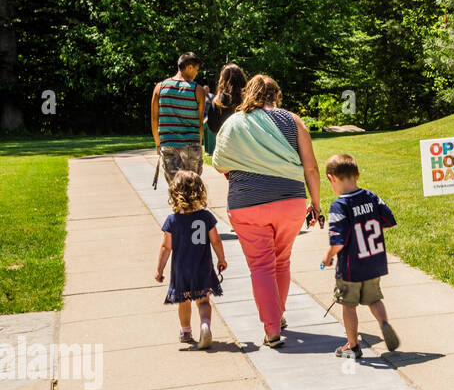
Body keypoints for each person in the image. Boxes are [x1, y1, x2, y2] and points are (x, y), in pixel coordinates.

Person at [211, 74, 324, 348]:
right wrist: (316, 204)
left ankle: (272, 329)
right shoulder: (292, 120)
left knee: (261, 266)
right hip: (291, 203)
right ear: (276, 95)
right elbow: (310, 168)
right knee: (281, 260)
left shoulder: (234, 123)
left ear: (249, 94)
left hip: (247, 205)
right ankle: (278, 314)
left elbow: (219, 163)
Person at [321, 153, 400, 358]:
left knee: (348, 306)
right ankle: (384, 323)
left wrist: (328, 257)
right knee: (374, 299)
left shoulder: (339, 206)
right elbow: (389, 221)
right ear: (357, 175)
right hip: (373, 262)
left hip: (350, 268)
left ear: (331, 178)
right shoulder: (372, 197)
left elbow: (338, 240)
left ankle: (353, 346)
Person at [155, 170, 226, 349]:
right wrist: (221, 259)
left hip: (181, 270)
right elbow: (216, 240)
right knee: (203, 301)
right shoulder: (206, 217)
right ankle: (205, 325)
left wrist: (159, 269)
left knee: (184, 301)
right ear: (200, 191)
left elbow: (166, 247)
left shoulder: (172, 221)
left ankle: (186, 331)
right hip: (202, 267)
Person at [151, 52, 209, 184]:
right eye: (196, 69)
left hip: (168, 144)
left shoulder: (160, 88)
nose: (196, 73)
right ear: (189, 67)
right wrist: (199, 144)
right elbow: (200, 122)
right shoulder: (197, 90)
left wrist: (158, 143)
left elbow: (154, 120)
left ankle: (179, 205)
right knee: (193, 186)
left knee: (175, 186)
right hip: (191, 144)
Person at [203, 63, 246, 156]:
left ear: (223, 79)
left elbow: (213, 127)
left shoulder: (218, 101)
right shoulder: (249, 99)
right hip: (246, 148)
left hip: (226, 148)